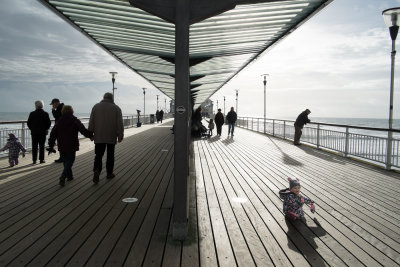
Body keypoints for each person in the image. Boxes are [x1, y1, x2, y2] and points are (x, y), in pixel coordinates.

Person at [48, 105, 93, 186]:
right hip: (72, 144)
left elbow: (53, 133)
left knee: (65, 161)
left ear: (63, 111)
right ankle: (63, 176)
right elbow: (83, 130)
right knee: (70, 160)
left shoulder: (59, 121)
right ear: (72, 111)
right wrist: (90, 135)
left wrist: (51, 145)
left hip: (61, 144)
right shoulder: (74, 120)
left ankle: (70, 176)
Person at [89, 92, 124, 183]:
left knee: (98, 155)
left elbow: (91, 121)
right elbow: (119, 123)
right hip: (111, 136)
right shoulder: (116, 108)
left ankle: (97, 170)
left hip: (99, 136)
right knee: (110, 155)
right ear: (112, 99)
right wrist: (120, 135)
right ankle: (109, 173)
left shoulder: (96, 107)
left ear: (103, 97)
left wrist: (90, 133)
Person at [50, 98, 65, 162]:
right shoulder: (63, 107)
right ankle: (62, 157)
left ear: (56, 103)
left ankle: (62, 158)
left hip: (60, 128)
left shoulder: (60, 108)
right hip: (62, 128)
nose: (53, 106)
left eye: (53, 104)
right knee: (62, 143)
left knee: (61, 143)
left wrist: (53, 110)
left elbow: (56, 116)